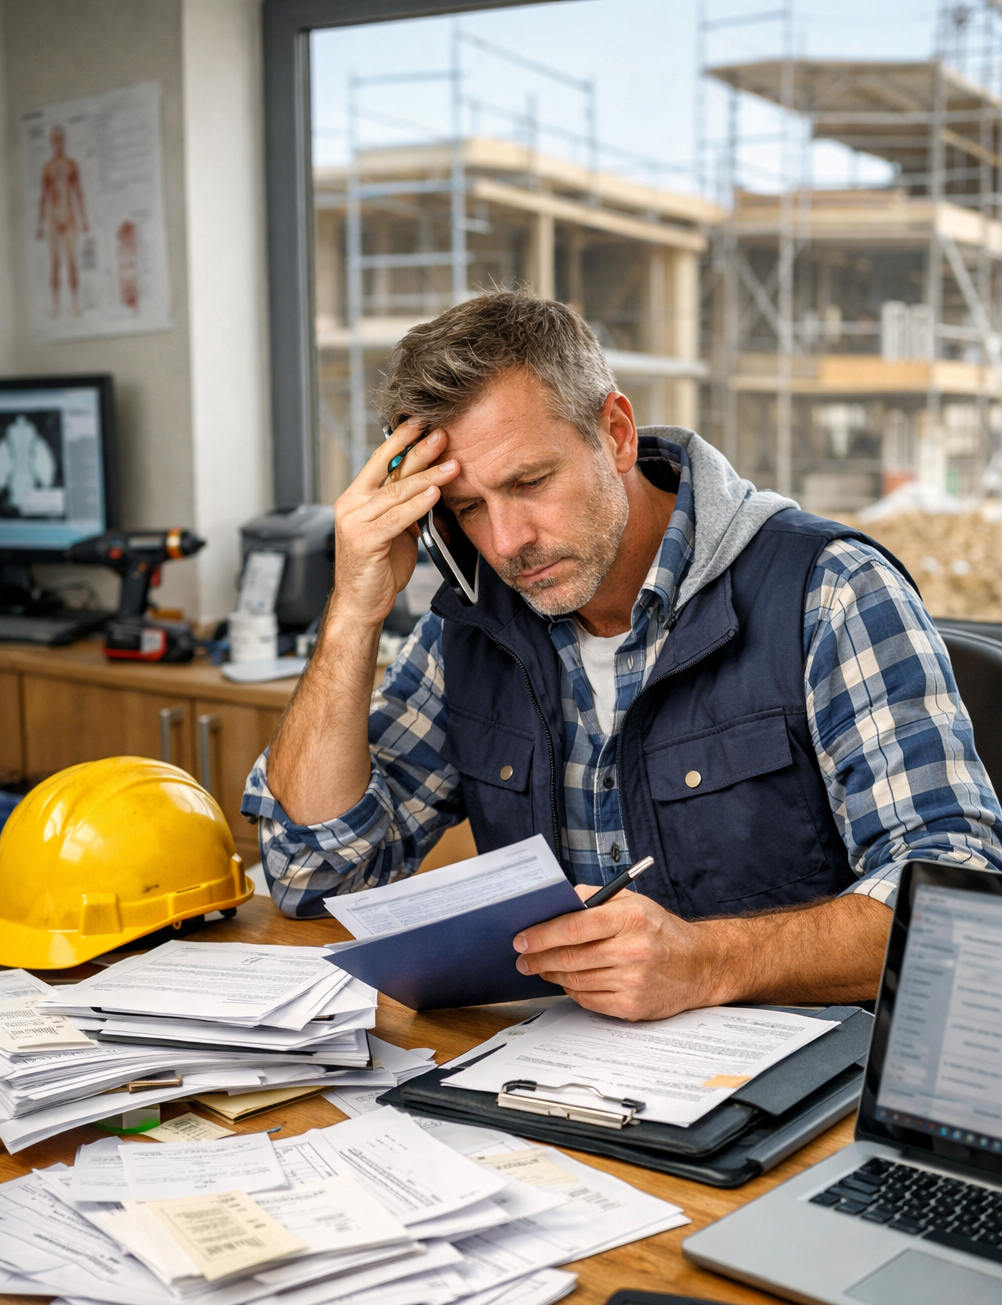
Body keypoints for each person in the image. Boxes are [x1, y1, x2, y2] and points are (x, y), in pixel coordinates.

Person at [244, 291, 1002, 1021]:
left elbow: (955, 901)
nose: (507, 543)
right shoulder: (472, 626)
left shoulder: (831, 590)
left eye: (530, 482)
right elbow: (315, 875)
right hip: (558, 1073)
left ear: (615, 434)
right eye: (468, 509)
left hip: (797, 1095)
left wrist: (707, 960)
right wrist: (351, 610)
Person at [37, 125, 89, 320]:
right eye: (54, 140)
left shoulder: (71, 165)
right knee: (55, 264)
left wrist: (84, 219)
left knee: (72, 262)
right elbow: (43, 197)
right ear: (51, 142)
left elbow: (79, 192)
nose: (57, 143)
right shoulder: (47, 168)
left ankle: (75, 304)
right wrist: (40, 224)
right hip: (52, 218)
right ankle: (56, 306)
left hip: (69, 217)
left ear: (64, 140)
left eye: (60, 139)